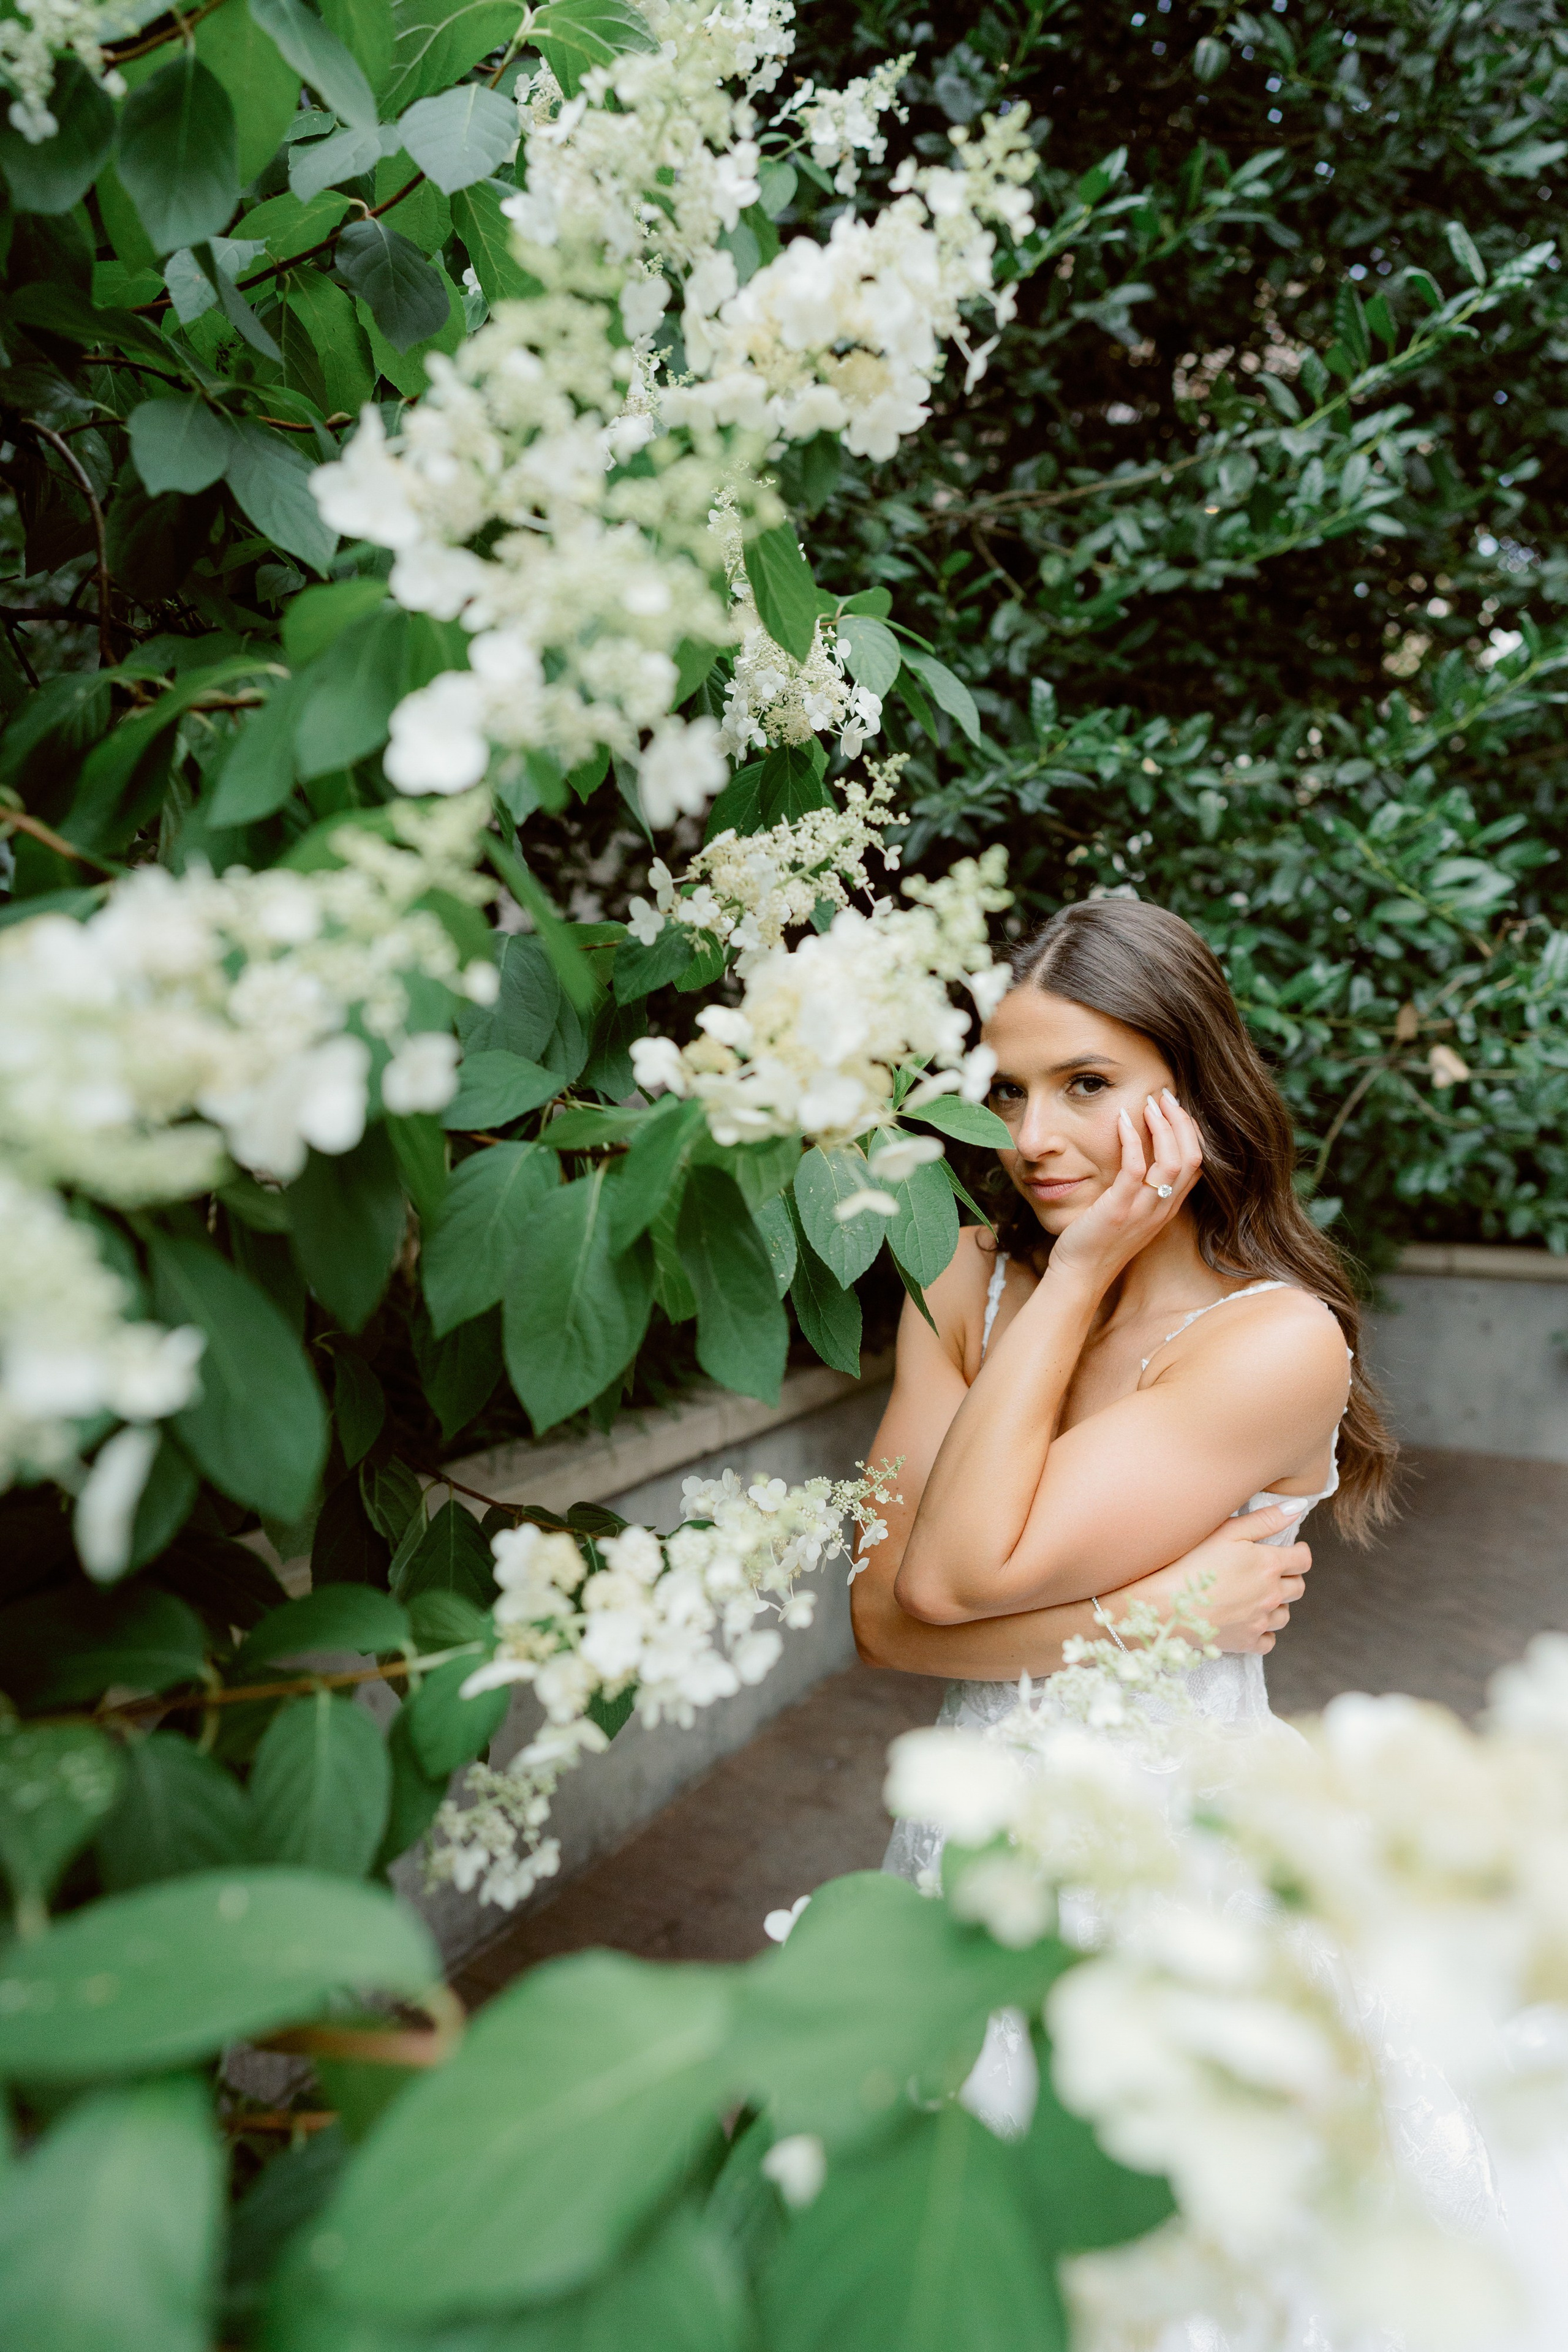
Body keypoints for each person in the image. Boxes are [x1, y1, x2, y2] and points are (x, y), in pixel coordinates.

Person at [850, 898, 1522, 2346]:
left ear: (1192, 1093)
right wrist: (1155, 1609)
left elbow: (954, 1582)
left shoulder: (1274, 1343)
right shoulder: (963, 1274)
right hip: (964, 1840)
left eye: (1087, 1085)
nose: (1035, 1135)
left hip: (1177, 1860)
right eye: (1010, 1089)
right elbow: (885, 1619)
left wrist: (1082, 1269)